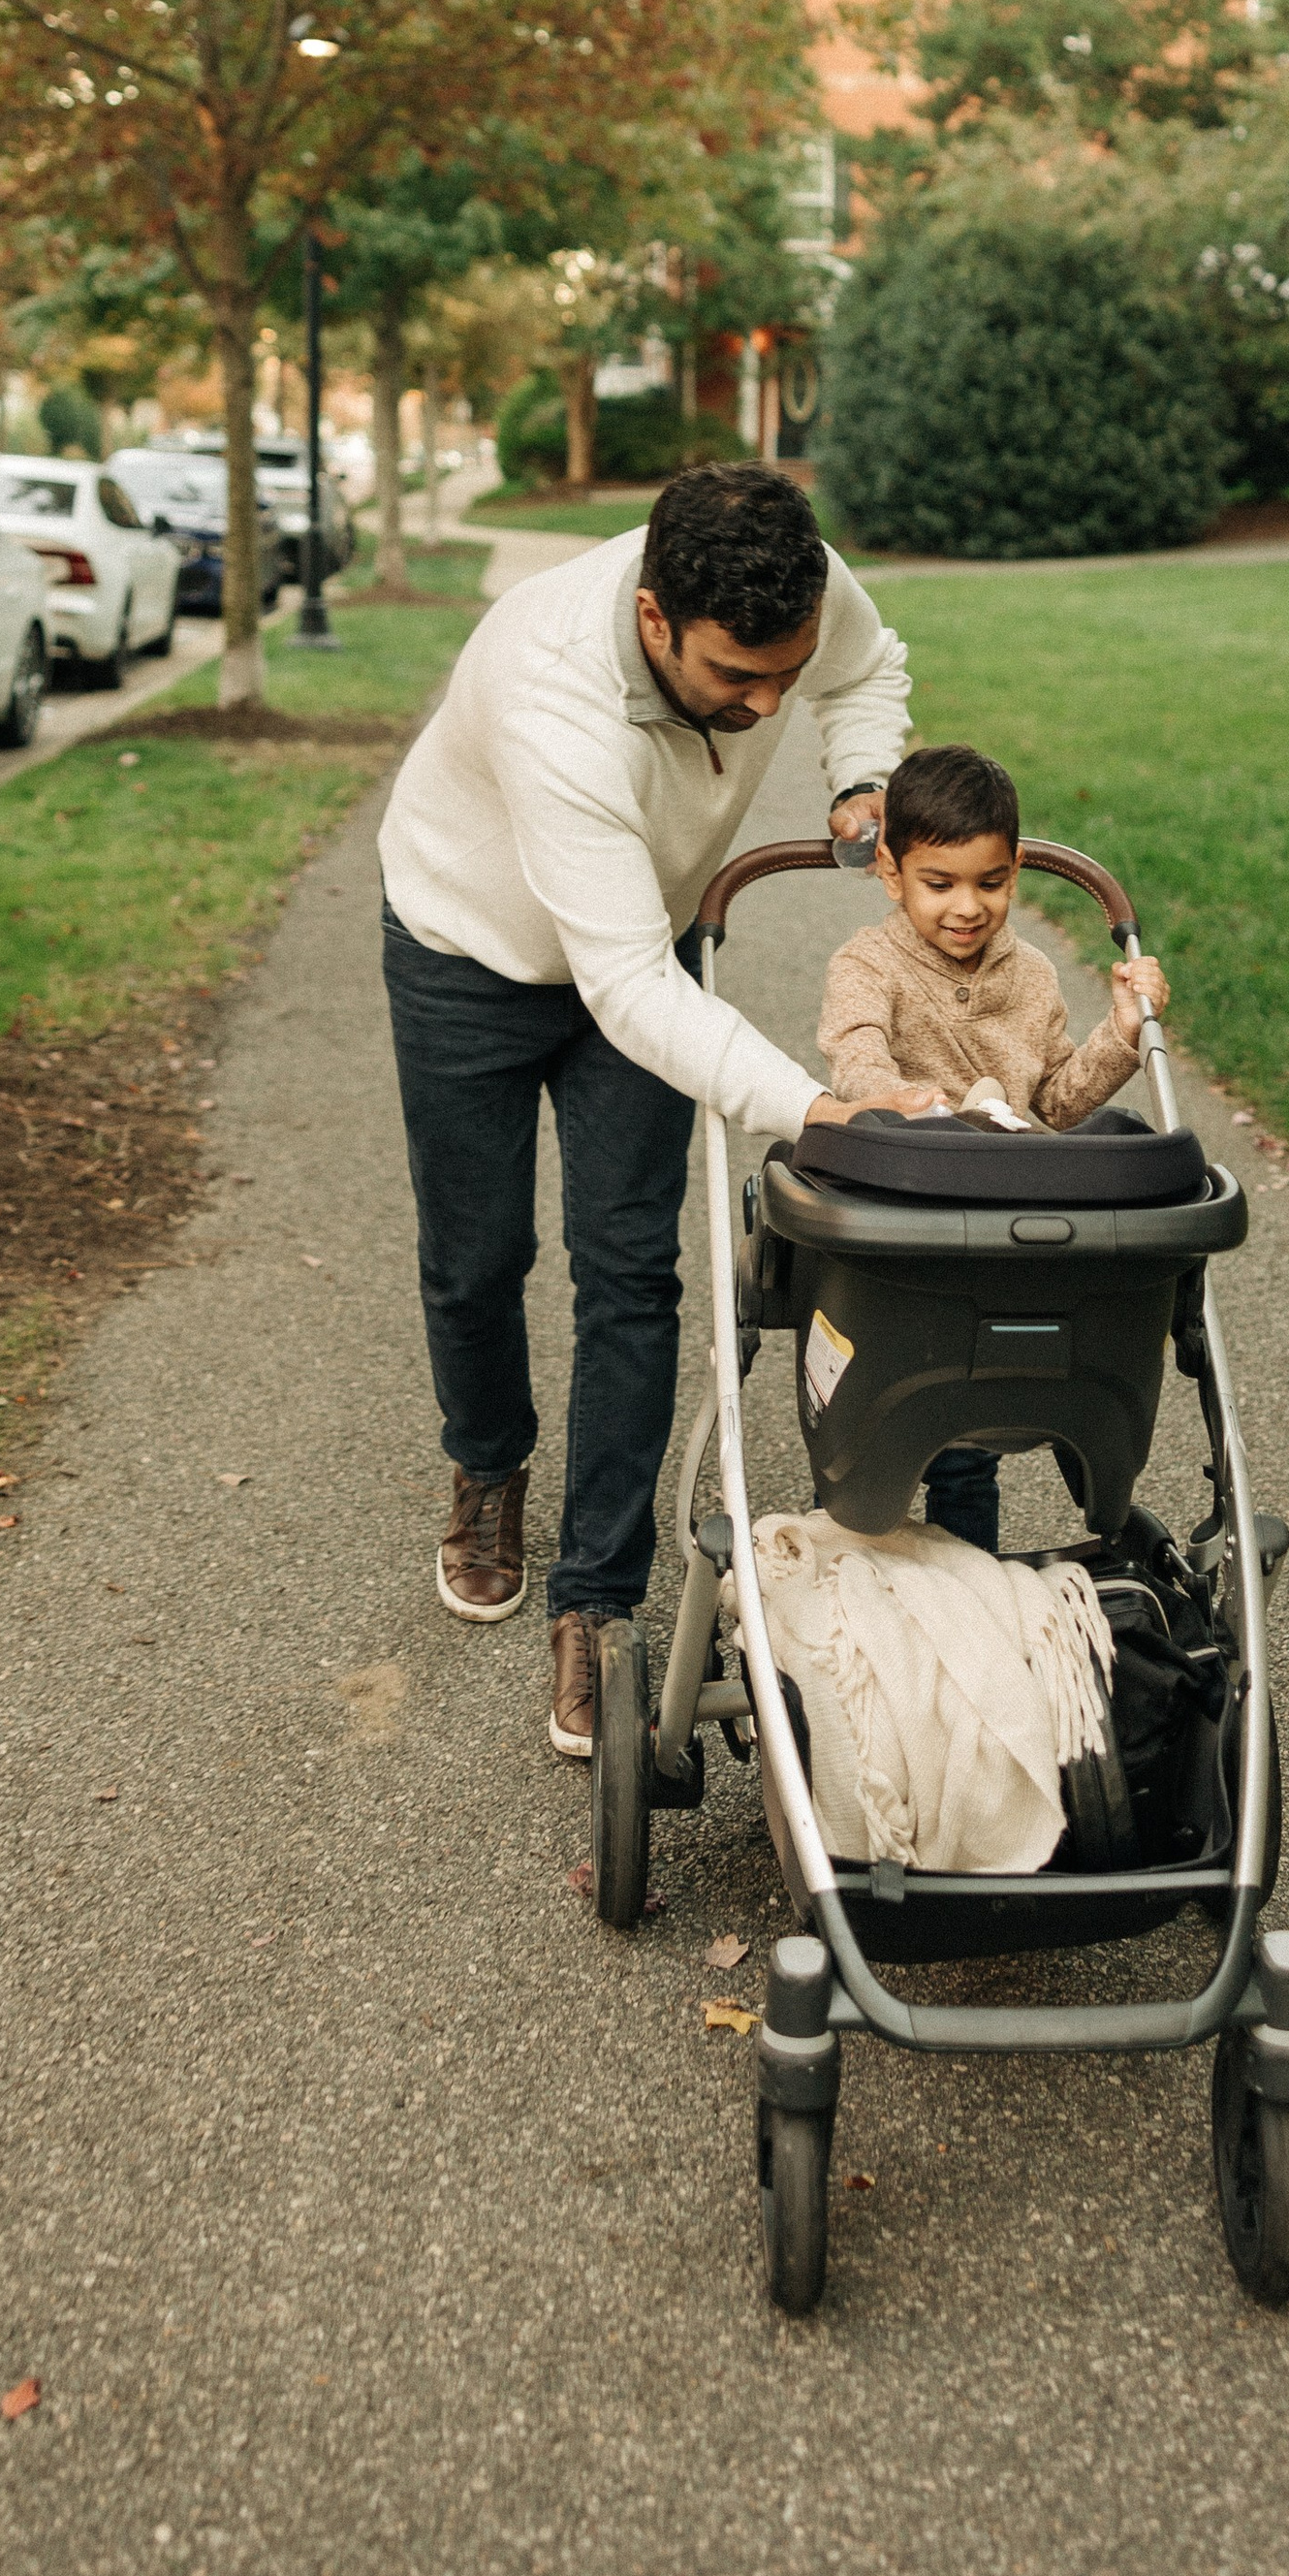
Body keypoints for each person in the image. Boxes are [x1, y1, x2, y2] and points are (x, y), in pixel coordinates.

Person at [378, 463, 937, 1759]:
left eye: (783, 677)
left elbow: (868, 664)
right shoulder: (549, 686)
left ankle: (599, 1602)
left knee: (630, 1271)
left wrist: (859, 773)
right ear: (651, 620)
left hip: (643, 933)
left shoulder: (788, 581)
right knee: (477, 1260)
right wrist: (816, 1112)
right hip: (469, 948)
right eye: (738, 679)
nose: (765, 707)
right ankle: (488, 1461)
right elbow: (622, 984)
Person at [815, 741, 1170, 1554]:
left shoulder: (1031, 974)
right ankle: (851, 1565)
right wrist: (917, 1110)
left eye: (991, 882)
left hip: (1004, 1229)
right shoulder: (867, 965)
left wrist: (1120, 1034)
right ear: (892, 873)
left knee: (968, 1444)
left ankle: (970, 1592)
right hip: (905, 1219)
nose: (967, 907)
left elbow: (1057, 1100)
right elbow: (861, 1062)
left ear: (1015, 868)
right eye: (939, 885)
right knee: (877, 1428)